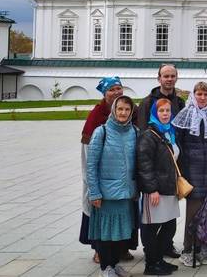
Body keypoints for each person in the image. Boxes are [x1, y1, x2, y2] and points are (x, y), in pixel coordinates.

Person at [173, 82, 207, 267]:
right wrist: (182, 173)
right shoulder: (186, 114)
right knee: (193, 215)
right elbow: (177, 144)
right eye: (199, 94)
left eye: (205, 94)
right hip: (192, 173)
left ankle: (202, 247)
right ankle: (188, 249)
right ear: (193, 95)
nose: (202, 97)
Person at [136, 64, 186, 258]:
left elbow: (181, 132)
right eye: (166, 76)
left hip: (171, 168)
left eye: (173, 76)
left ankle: (166, 246)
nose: (169, 79)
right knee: (153, 218)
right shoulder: (148, 102)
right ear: (159, 78)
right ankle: (152, 254)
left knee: (169, 217)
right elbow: (143, 137)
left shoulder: (180, 102)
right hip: (155, 172)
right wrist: (149, 184)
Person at [86, 95, 138, 277]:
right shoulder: (102, 132)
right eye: (120, 109)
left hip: (126, 193)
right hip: (106, 195)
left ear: (131, 112)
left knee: (121, 233)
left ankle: (115, 264)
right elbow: (91, 165)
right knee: (106, 235)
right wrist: (94, 193)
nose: (123, 113)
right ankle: (105, 268)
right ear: (114, 111)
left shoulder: (134, 132)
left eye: (127, 109)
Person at [136, 98, 180, 275]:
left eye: (168, 111)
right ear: (155, 113)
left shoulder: (169, 132)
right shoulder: (149, 134)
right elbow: (144, 163)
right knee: (151, 228)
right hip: (155, 191)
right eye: (161, 111)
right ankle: (151, 263)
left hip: (169, 188)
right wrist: (151, 189)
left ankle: (159, 259)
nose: (165, 114)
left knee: (170, 226)